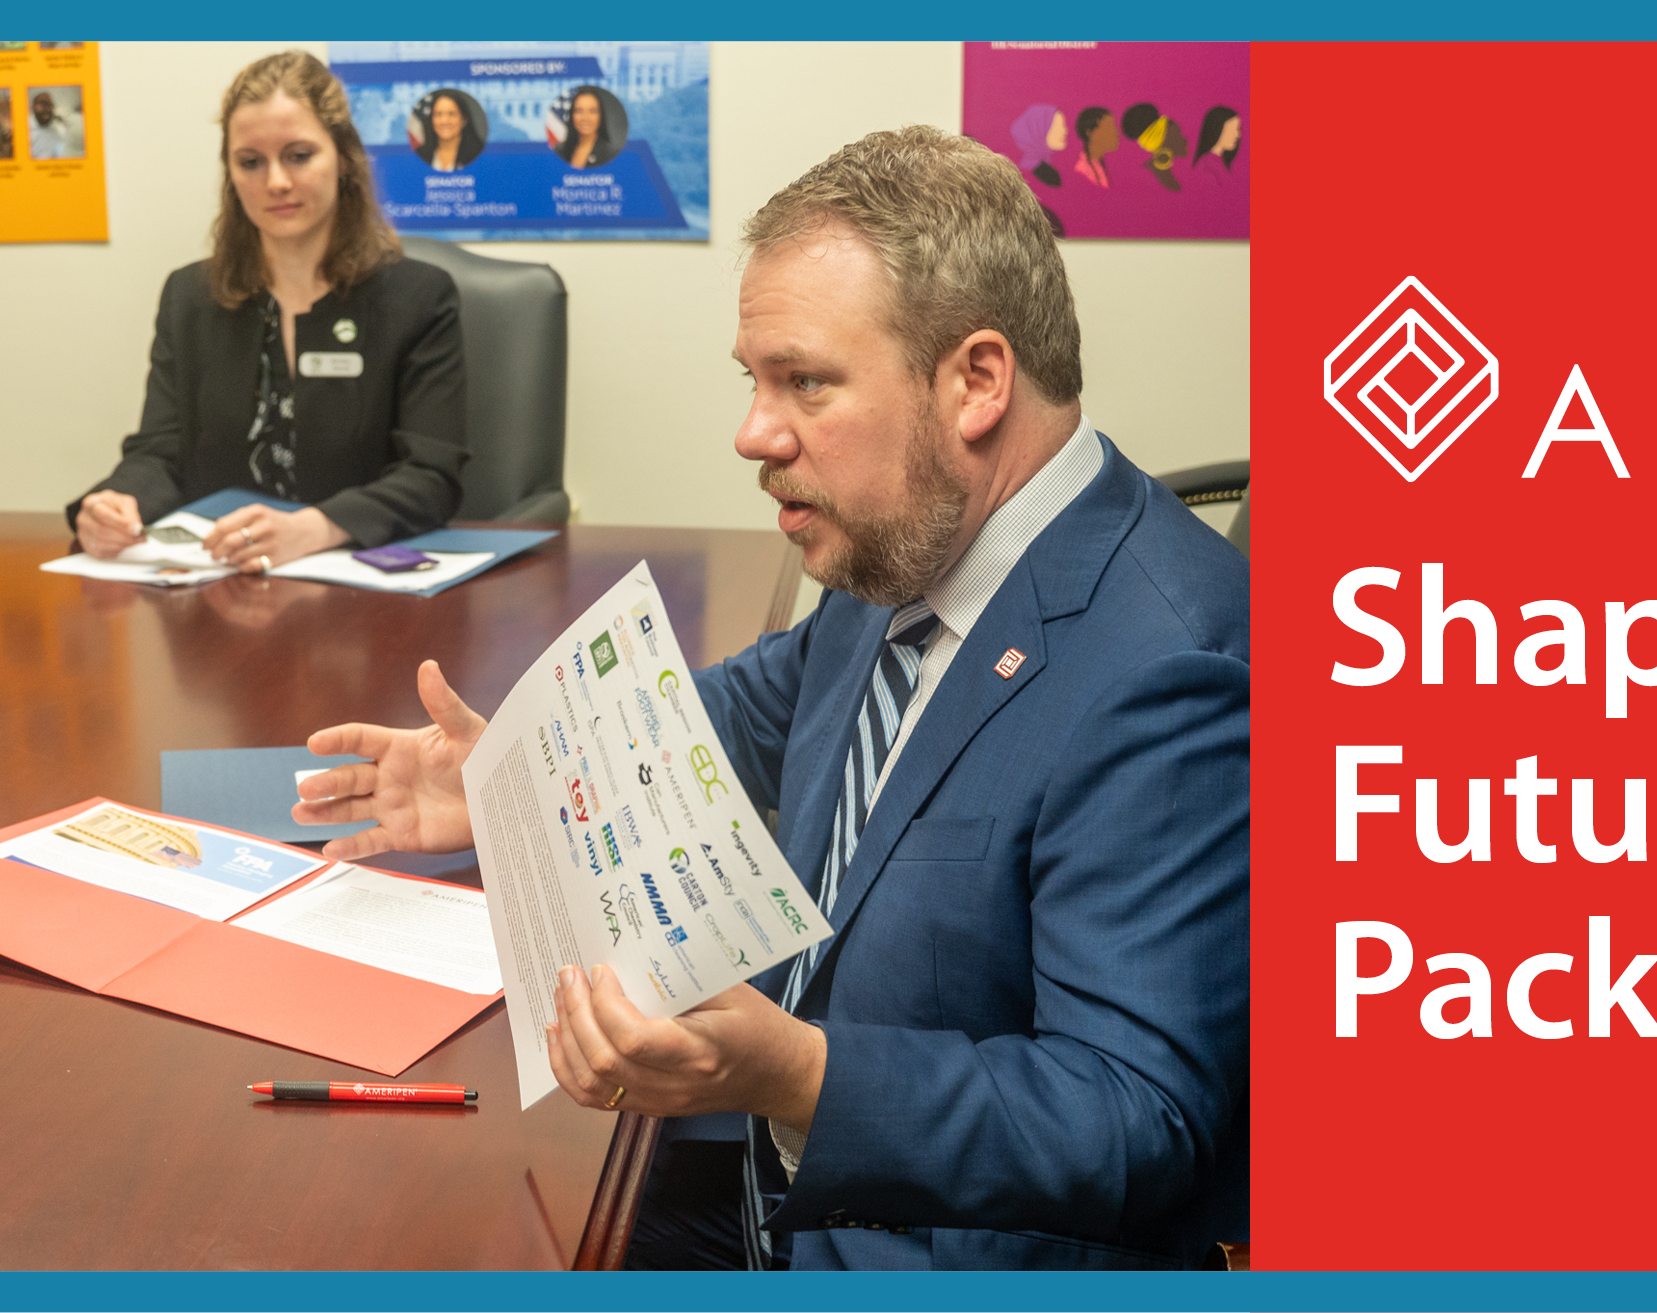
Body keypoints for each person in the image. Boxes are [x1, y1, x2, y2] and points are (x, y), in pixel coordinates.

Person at [289, 125, 1249, 1271]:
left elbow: (1135, 1122)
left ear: (977, 382)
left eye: (804, 381)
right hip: (767, 1179)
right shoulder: (907, 535)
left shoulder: (1167, 669)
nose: (754, 431)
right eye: (754, 381)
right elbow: (750, 712)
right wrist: (513, 779)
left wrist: (796, 1072)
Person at [67, 51, 465, 571]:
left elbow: (432, 476)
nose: (275, 181)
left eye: (298, 155)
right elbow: (161, 451)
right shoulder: (190, 296)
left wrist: (314, 528)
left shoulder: (418, 298)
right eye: (250, 162)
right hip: (218, 588)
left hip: (362, 594)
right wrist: (116, 504)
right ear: (231, 172)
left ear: (343, 157)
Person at [418, 90, 483, 172]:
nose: (444, 121)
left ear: (464, 120)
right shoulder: (420, 155)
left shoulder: (479, 155)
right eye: (438, 114)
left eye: (451, 114)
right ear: (431, 119)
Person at [557, 87, 620, 169]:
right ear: (572, 115)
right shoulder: (559, 151)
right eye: (579, 111)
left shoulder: (611, 155)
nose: (585, 118)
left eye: (592, 111)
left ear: (600, 116)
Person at [28, 90, 85, 160]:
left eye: (50, 105)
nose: (48, 109)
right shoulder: (25, 130)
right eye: (43, 104)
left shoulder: (56, 130)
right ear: (33, 107)